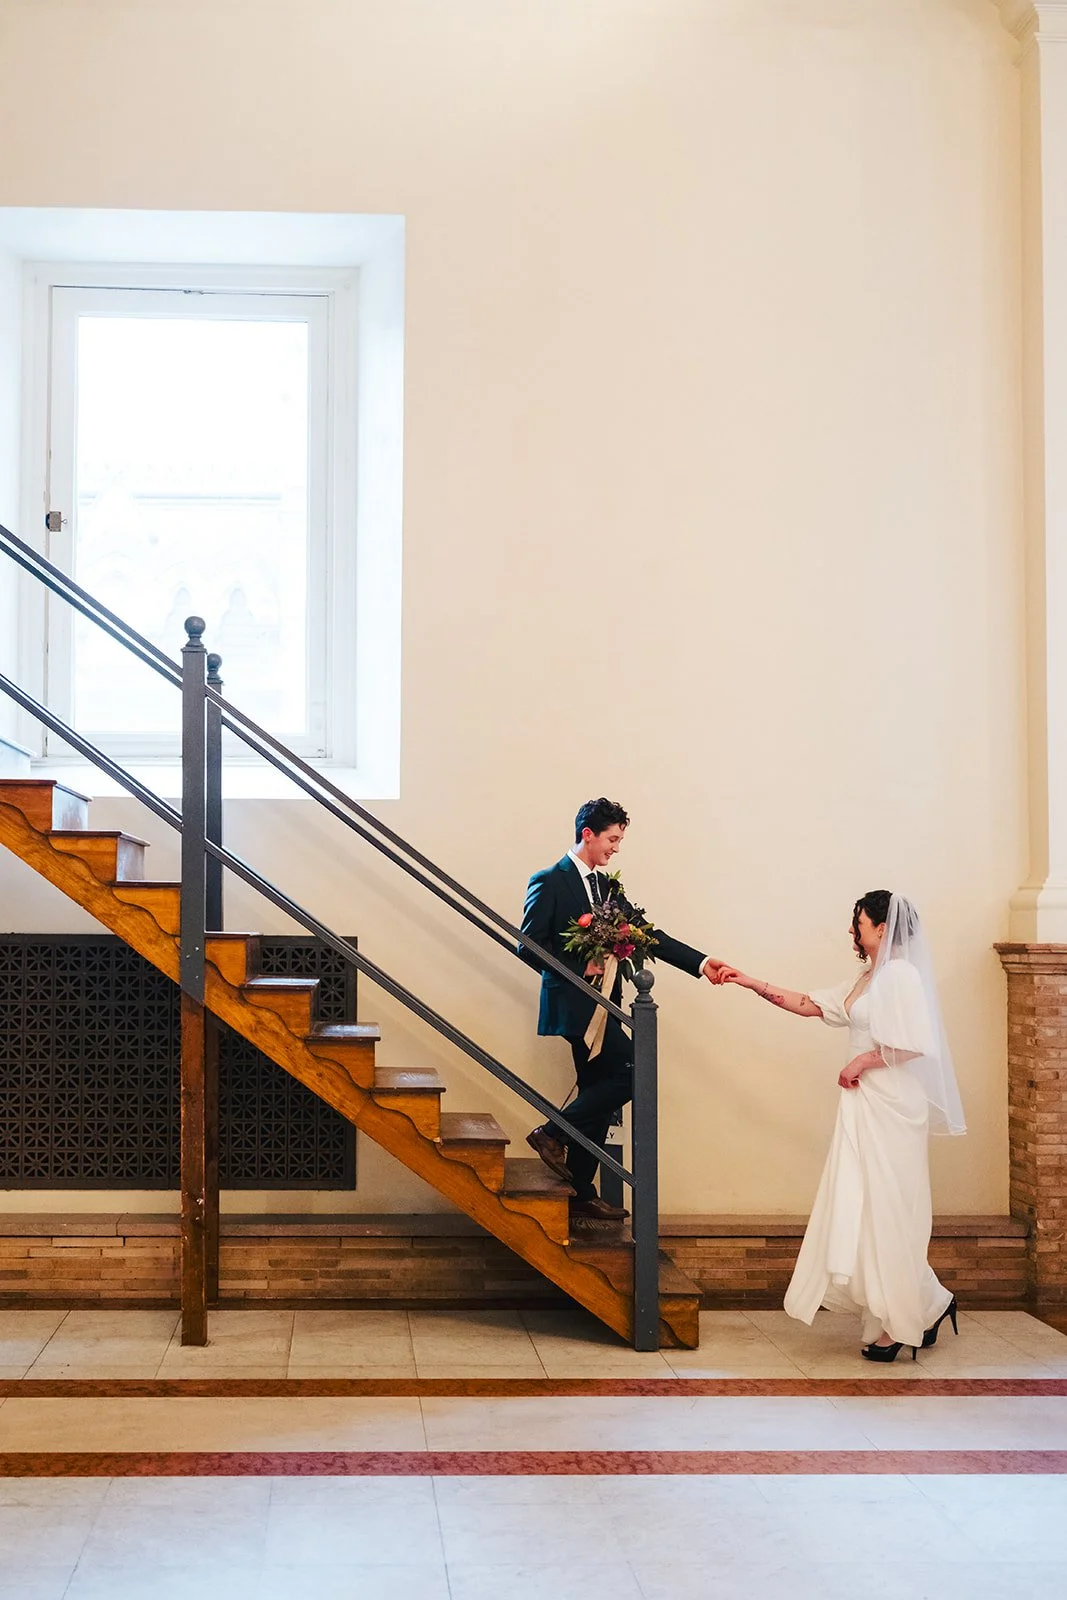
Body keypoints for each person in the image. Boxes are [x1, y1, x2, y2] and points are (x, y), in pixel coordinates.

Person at [718, 891, 966, 1361]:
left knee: (888, 1209)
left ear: (882, 927)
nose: (853, 931)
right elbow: (812, 1004)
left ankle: (900, 1320)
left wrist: (862, 1062)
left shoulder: (902, 976)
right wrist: (749, 982)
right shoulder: (869, 977)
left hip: (893, 1105)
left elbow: (916, 1043)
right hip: (864, 1103)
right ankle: (929, 1302)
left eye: (859, 923)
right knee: (865, 1207)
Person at [519, 798, 723, 1220]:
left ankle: (578, 1192)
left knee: (598, 1091)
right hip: (575, 1004)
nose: (616, 848)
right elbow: (529, 945)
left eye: (620, 840)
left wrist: (702, 964)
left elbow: (648, 934)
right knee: (633, 1073)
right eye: (612, 839)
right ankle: (552, 1132)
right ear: (587, 835)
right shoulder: (549, 880)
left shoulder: (608, 888)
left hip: (606, 1003)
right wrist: (582, 965)